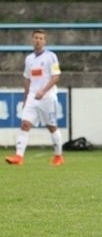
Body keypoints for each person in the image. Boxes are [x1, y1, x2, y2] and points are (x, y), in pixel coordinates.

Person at [5, 29, 64, 166]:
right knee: (25, 124)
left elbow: (56, 76)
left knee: (52, 126)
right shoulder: (29, 59)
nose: (38, 40)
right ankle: (19, 157)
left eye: (41, 38)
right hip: (32, 97)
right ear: (32, 40)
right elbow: (27, 79)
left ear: (44, 41)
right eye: (36, 38)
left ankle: (58, 156)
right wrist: (26, 98)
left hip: (48, 97)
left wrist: (43, 91)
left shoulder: (51, 57)